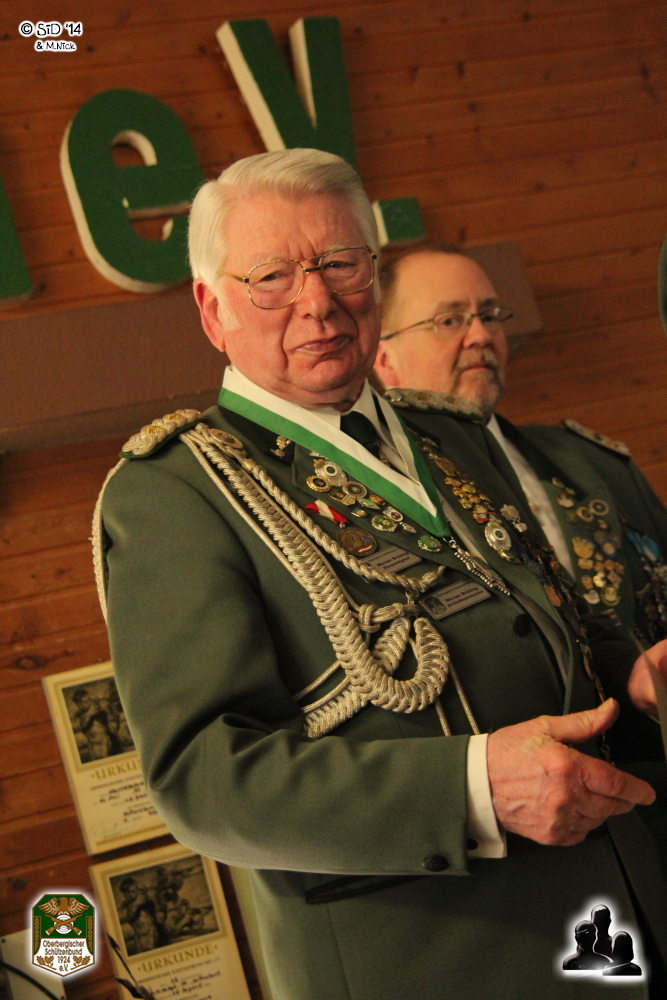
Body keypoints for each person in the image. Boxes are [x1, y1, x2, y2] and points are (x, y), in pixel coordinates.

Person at [96, 149, 667, 1000]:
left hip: (622, 921)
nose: (317, 302)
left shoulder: (452, 432)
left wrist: (634, 675)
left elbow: (547, 615)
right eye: (272, 277)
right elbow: (204, 778)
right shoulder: (176, 492)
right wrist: (472, 789)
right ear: (213, 310)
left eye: (339, 263)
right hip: (437, 962)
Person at [374, 246, 667, 654]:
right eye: (449, 321)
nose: (481, 335)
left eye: (490, 316)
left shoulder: (595, 462)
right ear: (384, 359)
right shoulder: (385, 501)